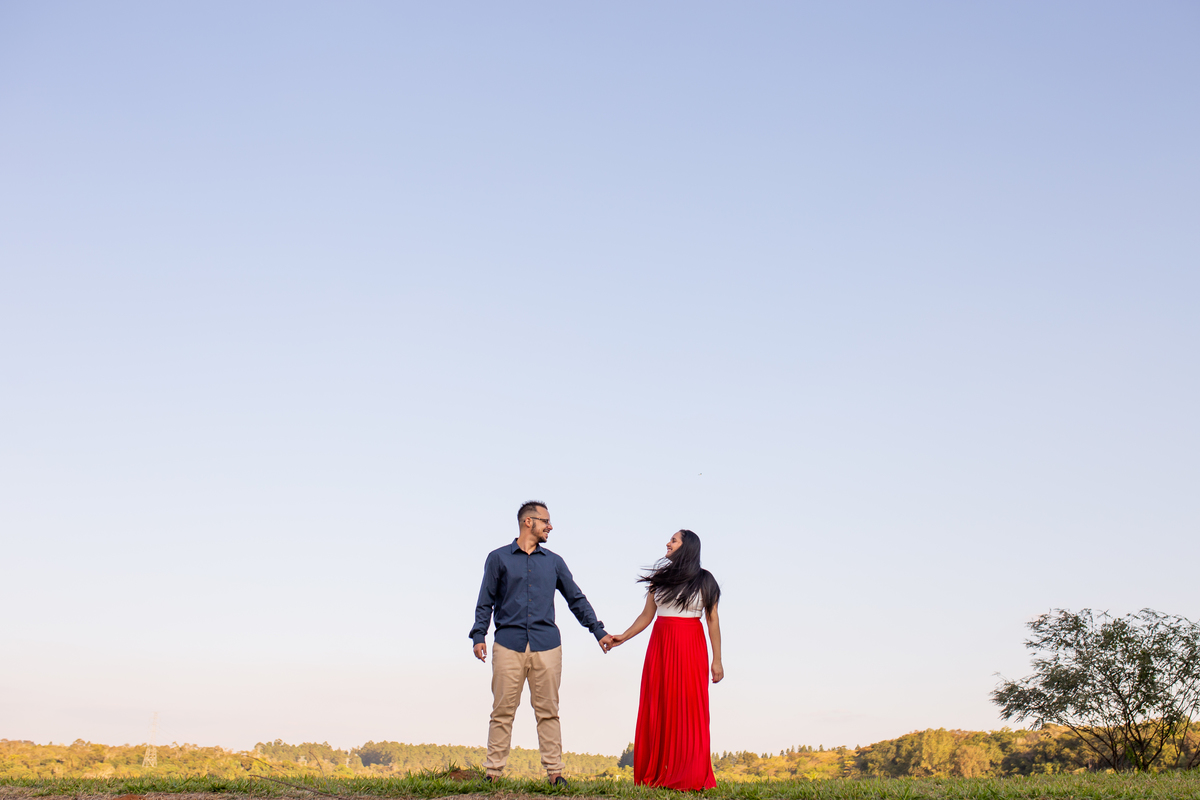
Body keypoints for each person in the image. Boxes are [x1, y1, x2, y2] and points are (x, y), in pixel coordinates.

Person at [470, 500, 616, 785]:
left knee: (548, 712)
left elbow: (576, 599)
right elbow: (485, 602)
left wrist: (598, 631)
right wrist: (478, 635)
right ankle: (493, 773)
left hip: (547, 646)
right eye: (545, 521)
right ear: (528, 522)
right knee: (502, 711)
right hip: (508, 645)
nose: (550, 526)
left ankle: (555, 773)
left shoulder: (554, 562)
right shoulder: (498, 558)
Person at [609, 529, 722, 791]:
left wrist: (717, 660)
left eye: (673, 540)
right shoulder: (659, 579)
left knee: (689, 707)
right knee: (658, 704)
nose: (668, 543)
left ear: (687, 547)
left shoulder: (706, 580)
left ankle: (689, 774)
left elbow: (713, 622)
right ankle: (659, 772)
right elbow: (647, 615)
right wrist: (623, 637)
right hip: (660, 645)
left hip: (690, 646)